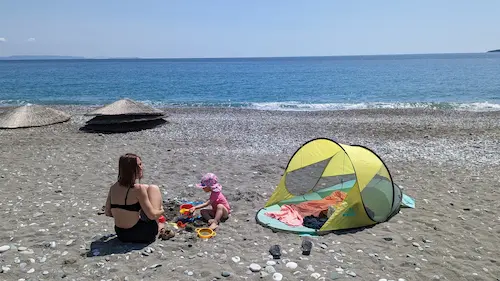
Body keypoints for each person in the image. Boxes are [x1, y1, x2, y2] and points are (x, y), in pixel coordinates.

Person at [104, 153, 165, 243]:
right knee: (154, 188)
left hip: (121, 234)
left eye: (141, 164)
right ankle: (159, 225)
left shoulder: (113, 187)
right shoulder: (138, 189)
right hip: (142, 234)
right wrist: (162, 210)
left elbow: (108, 212)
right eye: (138, 165)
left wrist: (125, 214)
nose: (141, 168)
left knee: (147, 188)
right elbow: (152, 216)